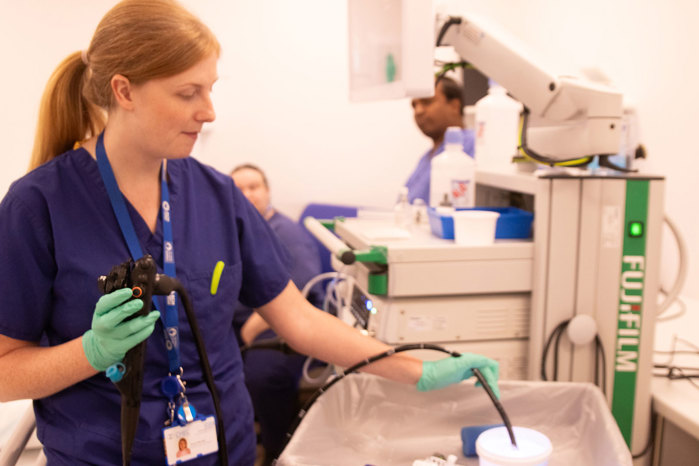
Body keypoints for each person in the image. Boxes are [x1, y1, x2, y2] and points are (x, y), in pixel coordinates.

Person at [0, 1, 499, 465]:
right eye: (188, 93)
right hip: (104, 453)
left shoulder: (218, 196)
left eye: (210, 88)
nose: (209, 111)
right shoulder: (38, 206)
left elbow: (298, 320)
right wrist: (90, 352)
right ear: (125, 91)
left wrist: (416, 368)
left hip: (223, 447)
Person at [231, 163, 322, 465]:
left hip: (280, 322)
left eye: (253, 187)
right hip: (239, 319)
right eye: (239, 189)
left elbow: (299, 289)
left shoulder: (287, 233)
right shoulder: (233, 229)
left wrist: (251, 329)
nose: (247, 194)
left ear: (268, 191)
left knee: (263, 376)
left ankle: (277, 449)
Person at [405, 76, 475, 204]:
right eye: (414, 105)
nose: (418, 111)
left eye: (427, 102)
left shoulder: (474, 145)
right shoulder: (426, 157)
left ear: (454, 106)